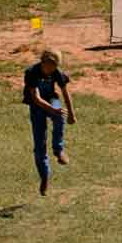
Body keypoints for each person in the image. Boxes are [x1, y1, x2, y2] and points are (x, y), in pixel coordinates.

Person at [22, 49, 76, 196]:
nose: (51, 70)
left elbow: (65, 92)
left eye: (54, 67)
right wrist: (53, 110)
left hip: (52, 99)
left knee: (60, 116)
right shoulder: (32, 72)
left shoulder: (57, 72)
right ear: (42, 62)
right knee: (40, 144)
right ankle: (44, 177)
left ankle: (58, 151)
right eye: (49, 66)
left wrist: (71, 113)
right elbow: (36, 98)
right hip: (37, 105)